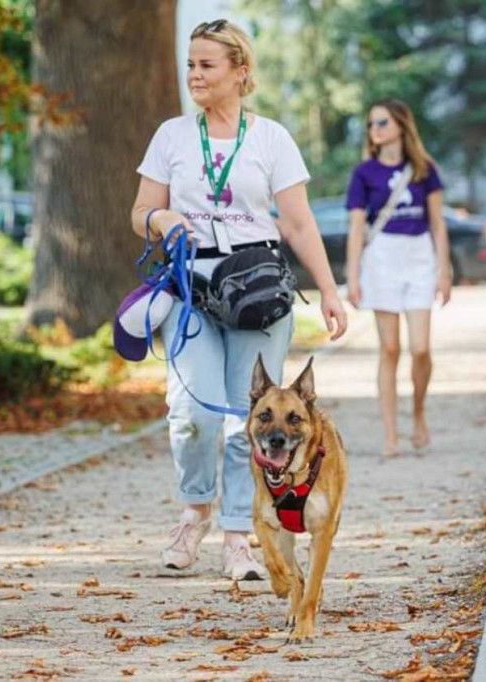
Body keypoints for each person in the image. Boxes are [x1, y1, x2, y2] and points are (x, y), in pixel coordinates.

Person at [130, 19, 347, 580]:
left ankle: (237, 535)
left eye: (207, 65)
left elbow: (297, 223)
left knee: (246, 419)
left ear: (240, 71)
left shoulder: (271, 137)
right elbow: (138, 213)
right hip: (192, 289)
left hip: (256, 293)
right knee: (191, 414)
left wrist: (328, 290)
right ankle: (194, 509)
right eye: (191, 64)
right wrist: (161, 217)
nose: (195, 75)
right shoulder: (171, 136)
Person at [344, 99, 452, 457]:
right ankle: (390, 434)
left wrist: (444, 269)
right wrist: (353, 274)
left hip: (419, 254)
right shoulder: (364, 174)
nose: (375, 129)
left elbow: (438, 222)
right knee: (389, 349)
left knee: (421, 348)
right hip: (382, 258)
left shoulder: (424, 170)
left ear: (402, 127)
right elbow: (357, 227)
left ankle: (418, 412)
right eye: (372, 123)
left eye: (382, 122)